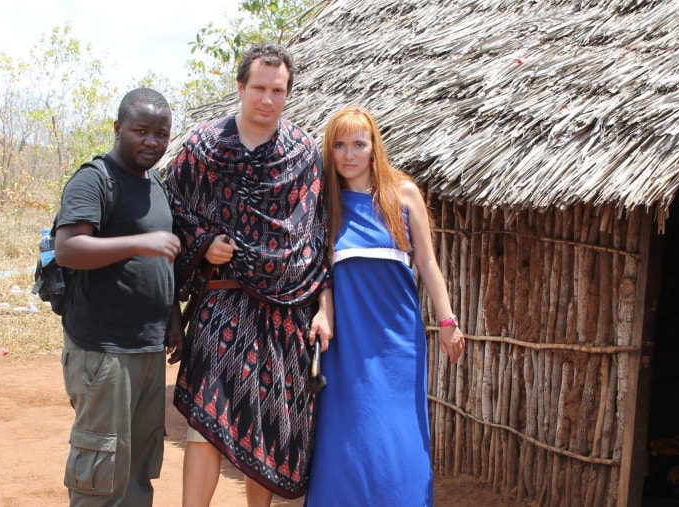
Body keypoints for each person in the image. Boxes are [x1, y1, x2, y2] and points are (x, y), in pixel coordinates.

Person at [164, 43, 333, 506]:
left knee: (267, 431)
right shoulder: (203, 148)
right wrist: (202, 245)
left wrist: (324, 309)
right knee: (205, 422)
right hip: (221, 303)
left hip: (284, 315)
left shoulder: (302, 155)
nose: (267, 99)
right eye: (258, 88)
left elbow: (317, 240)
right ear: (240, 88)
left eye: (277, 91)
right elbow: (169, 210)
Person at [303, 106, 466, 507]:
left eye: (358, 144)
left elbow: (427, 263)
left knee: (400, 439)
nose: (349, 154)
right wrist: (324, 311)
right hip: (349, 345)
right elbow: (322, 272)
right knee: (349, 438)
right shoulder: (327, 205)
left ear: (374, 147)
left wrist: (447, 320)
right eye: (339, 145)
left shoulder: (403, 194)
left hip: (398, 342)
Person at [53, 87, 182, 507]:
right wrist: (139, 244)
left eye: (161, 134)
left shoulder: (156, 184)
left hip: (146, 350)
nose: (151, 141)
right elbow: (69, 248)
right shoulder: (95, 179)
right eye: (141, 130)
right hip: (104, 351)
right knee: (101, 472)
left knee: (137, 471)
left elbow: (162, 264)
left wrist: (173, 319)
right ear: (118, 128)